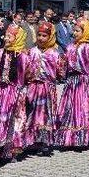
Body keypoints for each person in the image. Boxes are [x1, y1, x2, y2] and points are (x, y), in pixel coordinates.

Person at [55, 17, 89, 148]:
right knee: (70, 108)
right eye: (74, 31)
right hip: (71, 81)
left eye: (78, 31)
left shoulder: (88, 47)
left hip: (84, 81)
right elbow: (64, 64)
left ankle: (82, 138)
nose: (74, 33)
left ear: (85, 31)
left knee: (82, 108)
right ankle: (68, 137)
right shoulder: (70, 47)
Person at [24, 21, 64, 155]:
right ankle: (32, 140)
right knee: (32, 112)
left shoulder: (54, 53)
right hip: (33, 87)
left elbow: (60, 72)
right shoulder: (32, 51)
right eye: (39, 35)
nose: (41, 38)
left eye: (44, 36)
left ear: (50, 37)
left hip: (47, 88)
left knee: (46, 114)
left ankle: (45, 142)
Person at [0, 24, 30, 161]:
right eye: (6, 35)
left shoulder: (24, 56)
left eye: (10, 36)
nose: (6, 38)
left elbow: (29, 74)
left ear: (17, 38)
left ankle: (12, 149)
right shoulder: (0, 53)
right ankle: (0, 147)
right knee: (1, 119)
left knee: (16, 121)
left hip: (17, 93)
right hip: (2, 91)